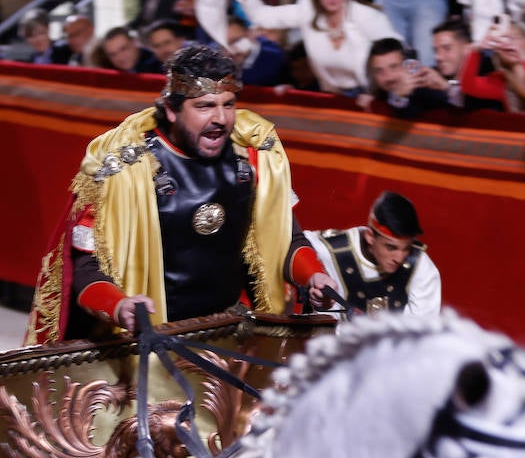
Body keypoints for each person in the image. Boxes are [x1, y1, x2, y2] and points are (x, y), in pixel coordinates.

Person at [23, 44, 338, 344]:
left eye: (228, 105)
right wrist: (120, 307)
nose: (220, 119)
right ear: (172, 110)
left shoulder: (256, 155)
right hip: (154, 340)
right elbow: (87, 268)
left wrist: (313, 276)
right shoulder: (122, 169)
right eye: (204, 107)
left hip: (237, 332)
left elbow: (287, 240)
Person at [223, 0, 398, 96]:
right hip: (332, 98)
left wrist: (379, 94)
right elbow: (261, 17)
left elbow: (400, 55)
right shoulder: (308, 11)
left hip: (371, 97)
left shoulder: (367, 17)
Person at [306, 191, 442, 316]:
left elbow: (421, 332)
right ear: (370, 236)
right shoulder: (327, 249)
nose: (400, 258)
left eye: (406, 248)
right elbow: (291, 245)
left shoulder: (420, 266)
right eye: (391, 247)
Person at [362, 37, 451, 117]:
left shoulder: (428, 89)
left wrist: (447, 87)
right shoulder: (374, 101)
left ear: (408, 65)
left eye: (394, 67)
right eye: (379, 71)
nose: (388, 77)